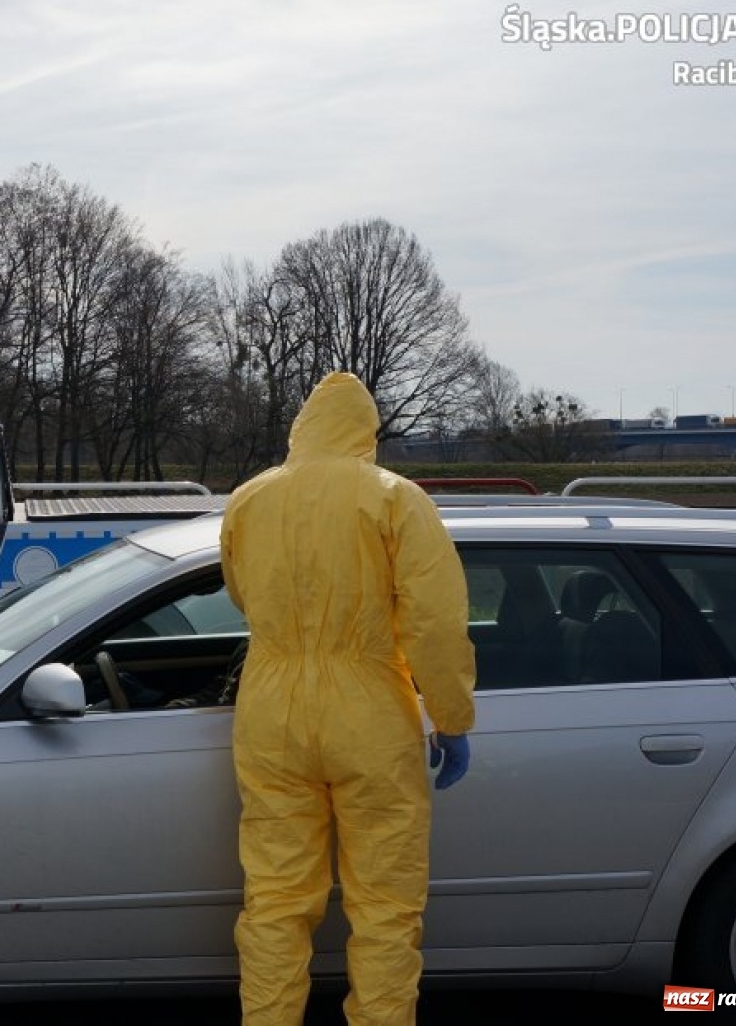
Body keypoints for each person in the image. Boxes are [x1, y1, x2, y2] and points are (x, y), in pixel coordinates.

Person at [220, 371, 476, 1026]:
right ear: (367, 431)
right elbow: (435, 623)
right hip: (370, 709)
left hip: (271, 707)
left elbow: (241, 593)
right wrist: (450, 719)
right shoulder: (395, 497)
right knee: (385, 906)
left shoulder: (249, 499)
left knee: (275, 900)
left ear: (300, 427)